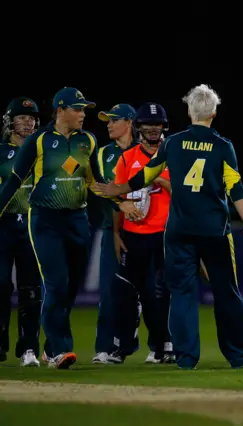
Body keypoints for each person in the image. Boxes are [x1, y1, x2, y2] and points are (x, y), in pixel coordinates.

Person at [94, 84, 243, 370]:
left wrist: (116, 189)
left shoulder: (174, 143)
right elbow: (236, 189)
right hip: (214, 230)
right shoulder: (223, 146)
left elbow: (145, 175)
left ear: (189, 111)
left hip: (179, 231)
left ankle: (185, 357)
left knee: (182, 293)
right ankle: (238, 355)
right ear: (214, 112)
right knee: (226, 292)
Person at [0, 87, 140, 369]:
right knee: (55, 284)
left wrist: (119, 204)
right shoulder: (39, 141)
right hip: (45, 220)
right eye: (78, 109)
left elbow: (94, 183)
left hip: (78, 221)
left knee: (70, 288)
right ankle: (58, 350)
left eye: (84, 110)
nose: (82, 115)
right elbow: (14, 180)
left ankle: (52, 349)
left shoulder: (87, 140)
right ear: (60, 110)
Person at [103, 102, 174, 365]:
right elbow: (117, 194)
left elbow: (183, 195)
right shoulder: (126, 158)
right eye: (147, 125)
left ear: (163, 127)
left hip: (165, 234)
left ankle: (164, 346)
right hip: (133, 235)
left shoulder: (173, 155)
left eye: (157, 125)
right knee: (125, 291)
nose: (153, 129)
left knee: (162, 292)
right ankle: (121, 347)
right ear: (139, 128)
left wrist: (156, 178)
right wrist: (116, 233)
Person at [91, 103, 137, 364]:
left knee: (151, 291)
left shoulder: (147, 151)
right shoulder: (103, 154)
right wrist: (121, 203)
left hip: (146, 229)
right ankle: (105, 348)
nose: (108, 124)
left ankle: (160, 348)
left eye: (114, 120)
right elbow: (99, 188)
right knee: (109, 290)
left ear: (129, 123)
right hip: (112, 228)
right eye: (107, 120)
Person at [0, 97, 42, 367]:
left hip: (32, 227)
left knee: (31, 290)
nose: (27, 122)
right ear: (9, 121)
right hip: (3, 228)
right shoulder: (0, 152)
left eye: (31, 118)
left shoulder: (42, 152)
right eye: (22, 117)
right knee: (1, 286)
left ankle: (28, 349)